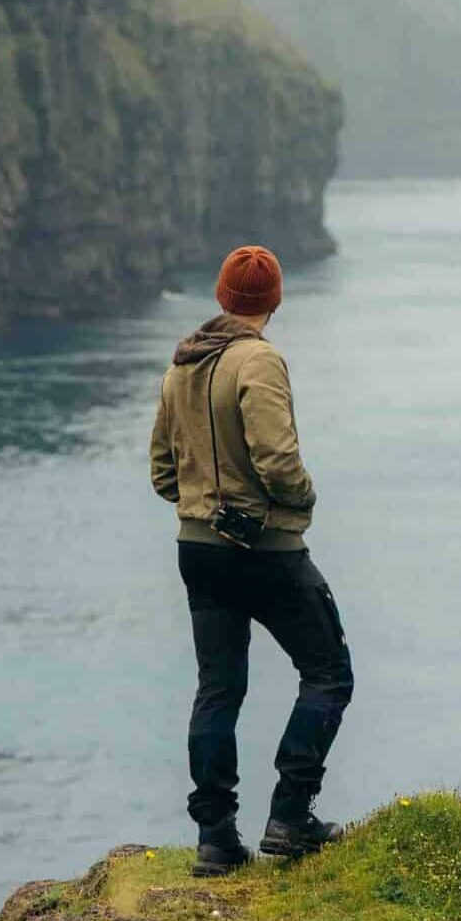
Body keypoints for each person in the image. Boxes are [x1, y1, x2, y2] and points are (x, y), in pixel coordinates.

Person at [148, 245, 353, 877]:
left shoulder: (181, 365)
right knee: (328, 673)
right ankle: (290, 817)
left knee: (219, 688)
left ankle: (215, 837)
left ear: (220, 296)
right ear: (275, 300)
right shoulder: (258, 361)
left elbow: (162, 469)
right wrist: (304, 498)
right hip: (265, 551)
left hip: (198, 551)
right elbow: (277, 460)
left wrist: (197, 505)